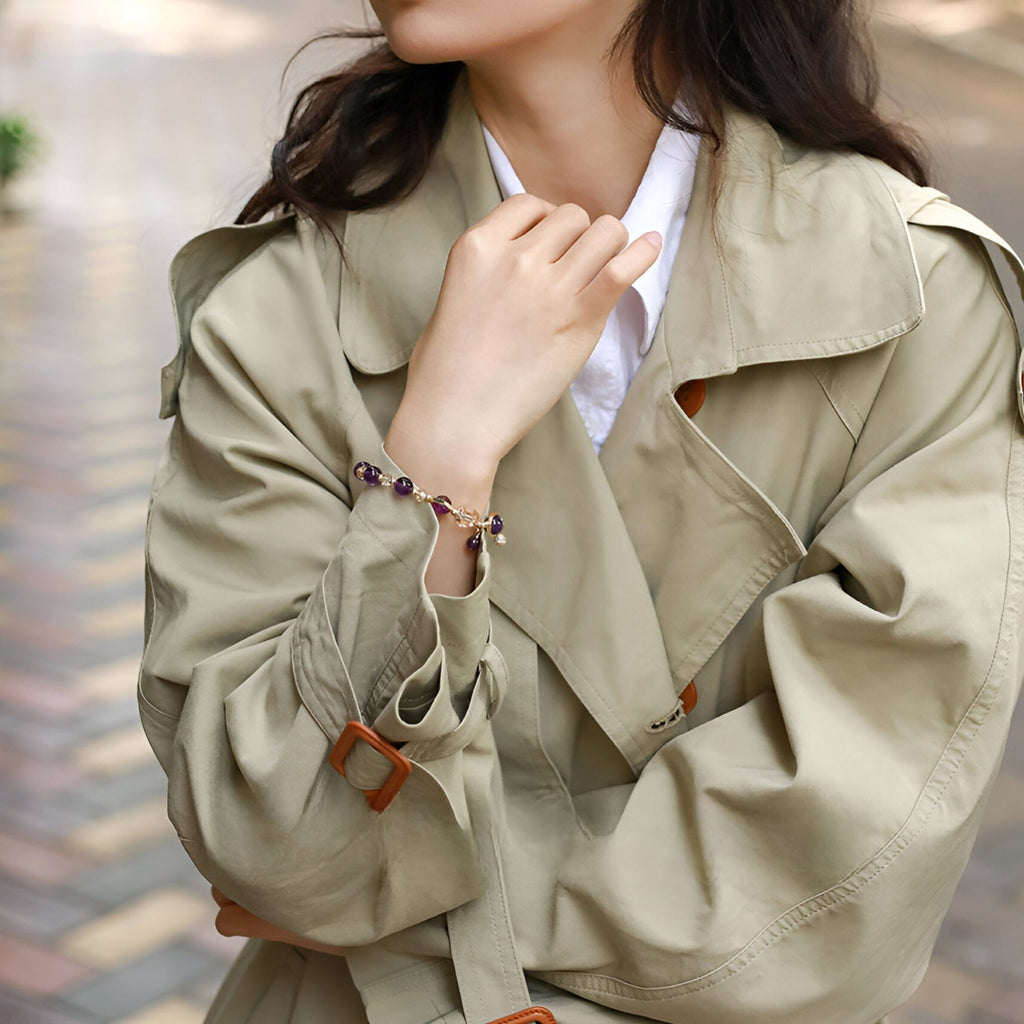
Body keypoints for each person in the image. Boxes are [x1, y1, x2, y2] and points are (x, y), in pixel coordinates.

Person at [137, 0, 1024, 1021]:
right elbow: (271, 834)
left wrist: (414, 906)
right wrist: (436, 459)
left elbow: (829, 890)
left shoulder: (917, 302)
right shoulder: (275, 308)